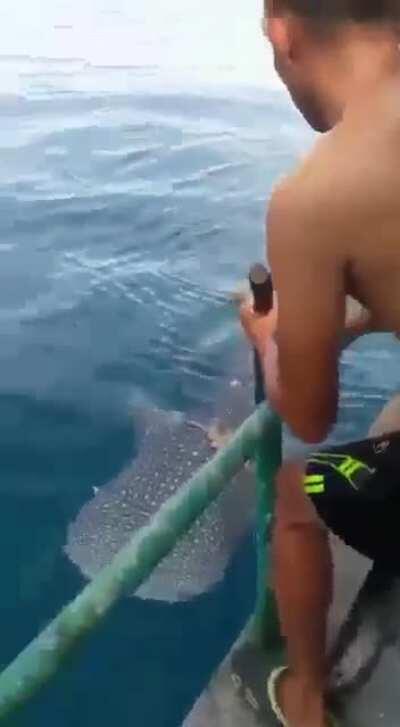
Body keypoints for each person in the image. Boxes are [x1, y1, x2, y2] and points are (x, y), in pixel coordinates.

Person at [240, 2, 400, 726]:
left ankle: (305, 694)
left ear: (281, 29)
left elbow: (306, 412)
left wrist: (273, 336)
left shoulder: (314, 196)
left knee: (295, 493)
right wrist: (361, 320)